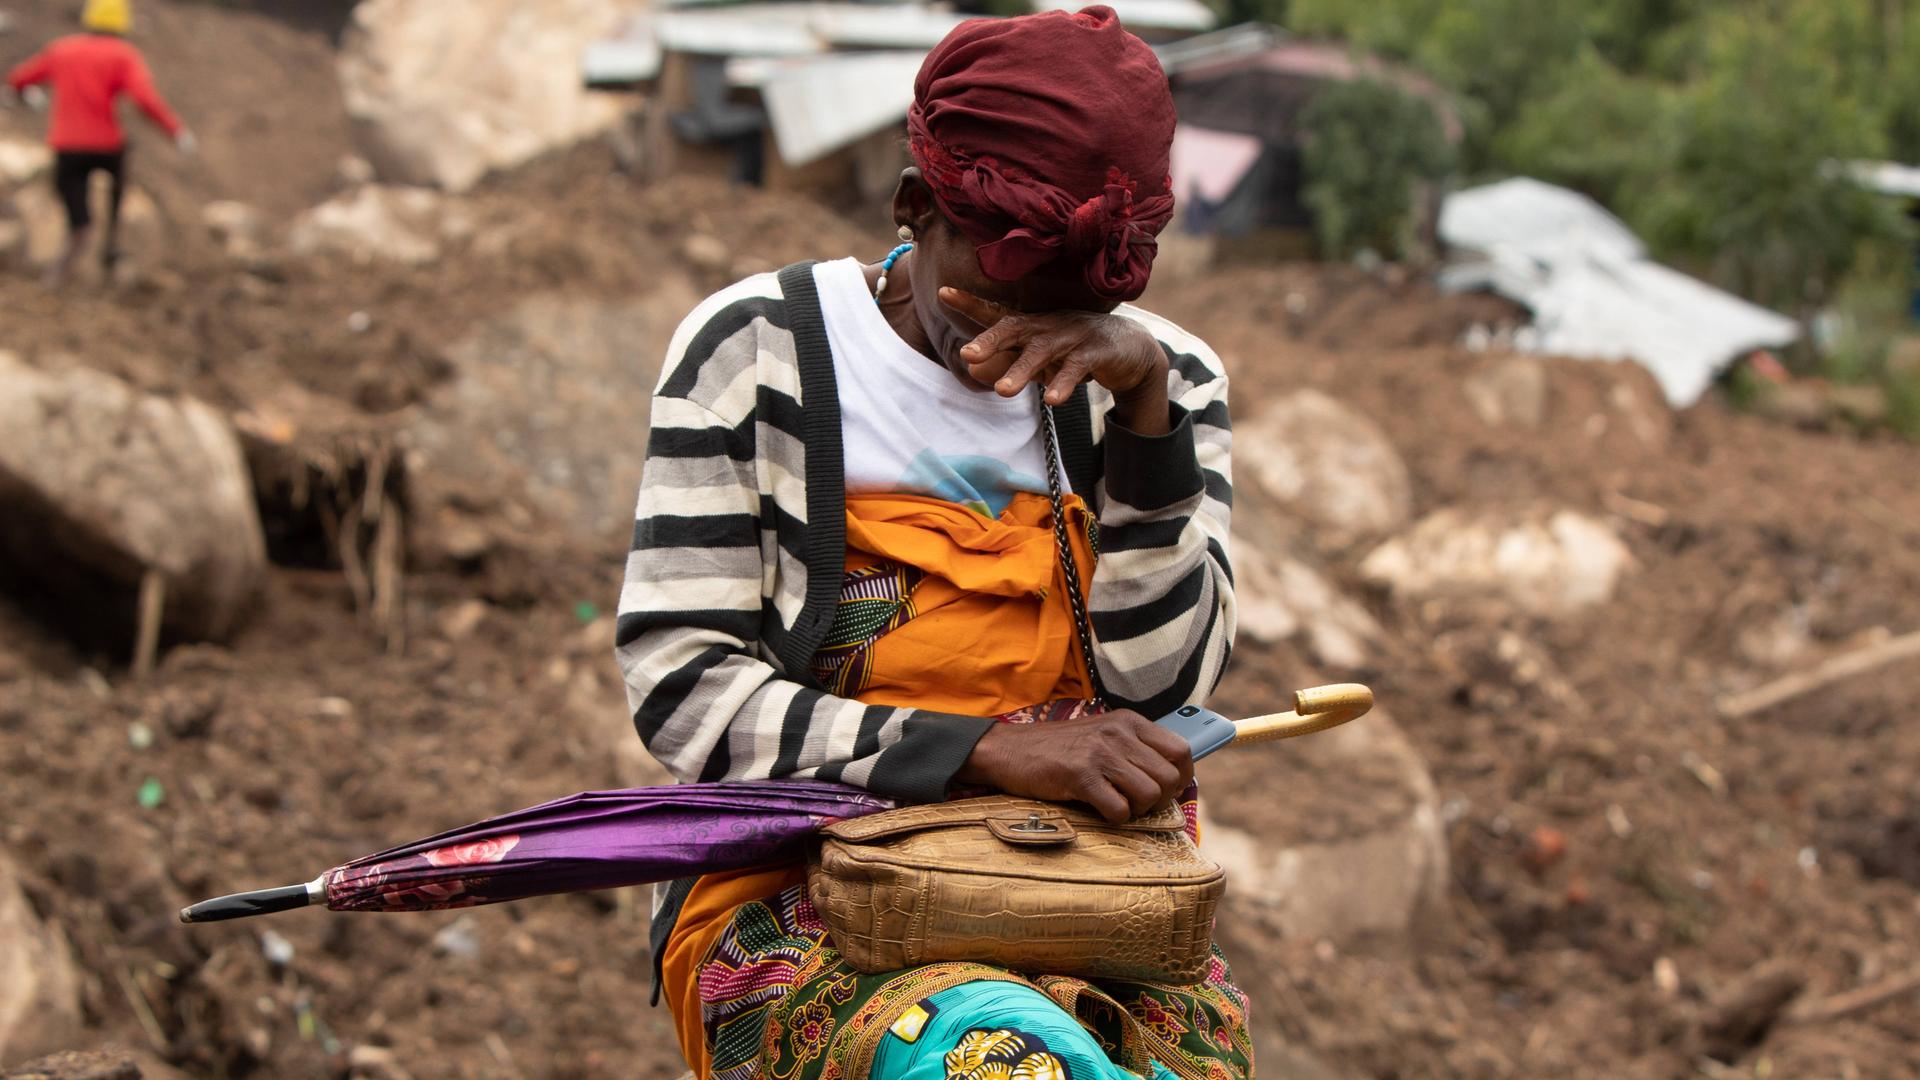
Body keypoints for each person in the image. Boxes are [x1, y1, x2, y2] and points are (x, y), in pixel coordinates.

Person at [616, 7, 1244, 1077]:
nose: (1026, 352)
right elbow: (684, 690)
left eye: (1074, 317)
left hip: (1089, 893)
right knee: (991, 1062)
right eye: (998, 303)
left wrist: (1143, 416)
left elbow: (1160, 686)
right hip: (811, 890)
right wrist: (984, 748)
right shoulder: (757, 354)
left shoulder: (1163, 378)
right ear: (914, 210)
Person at [6, 0, 193, 286]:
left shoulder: (62, 49)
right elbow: (144, 99)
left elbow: (19, 79)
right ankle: (112, 243)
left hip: (67, 146)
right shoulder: (123, 55)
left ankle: (70, 250)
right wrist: (175, 131)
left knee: (77, 213)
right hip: (106, 145)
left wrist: (29, 95)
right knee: (117, 184)